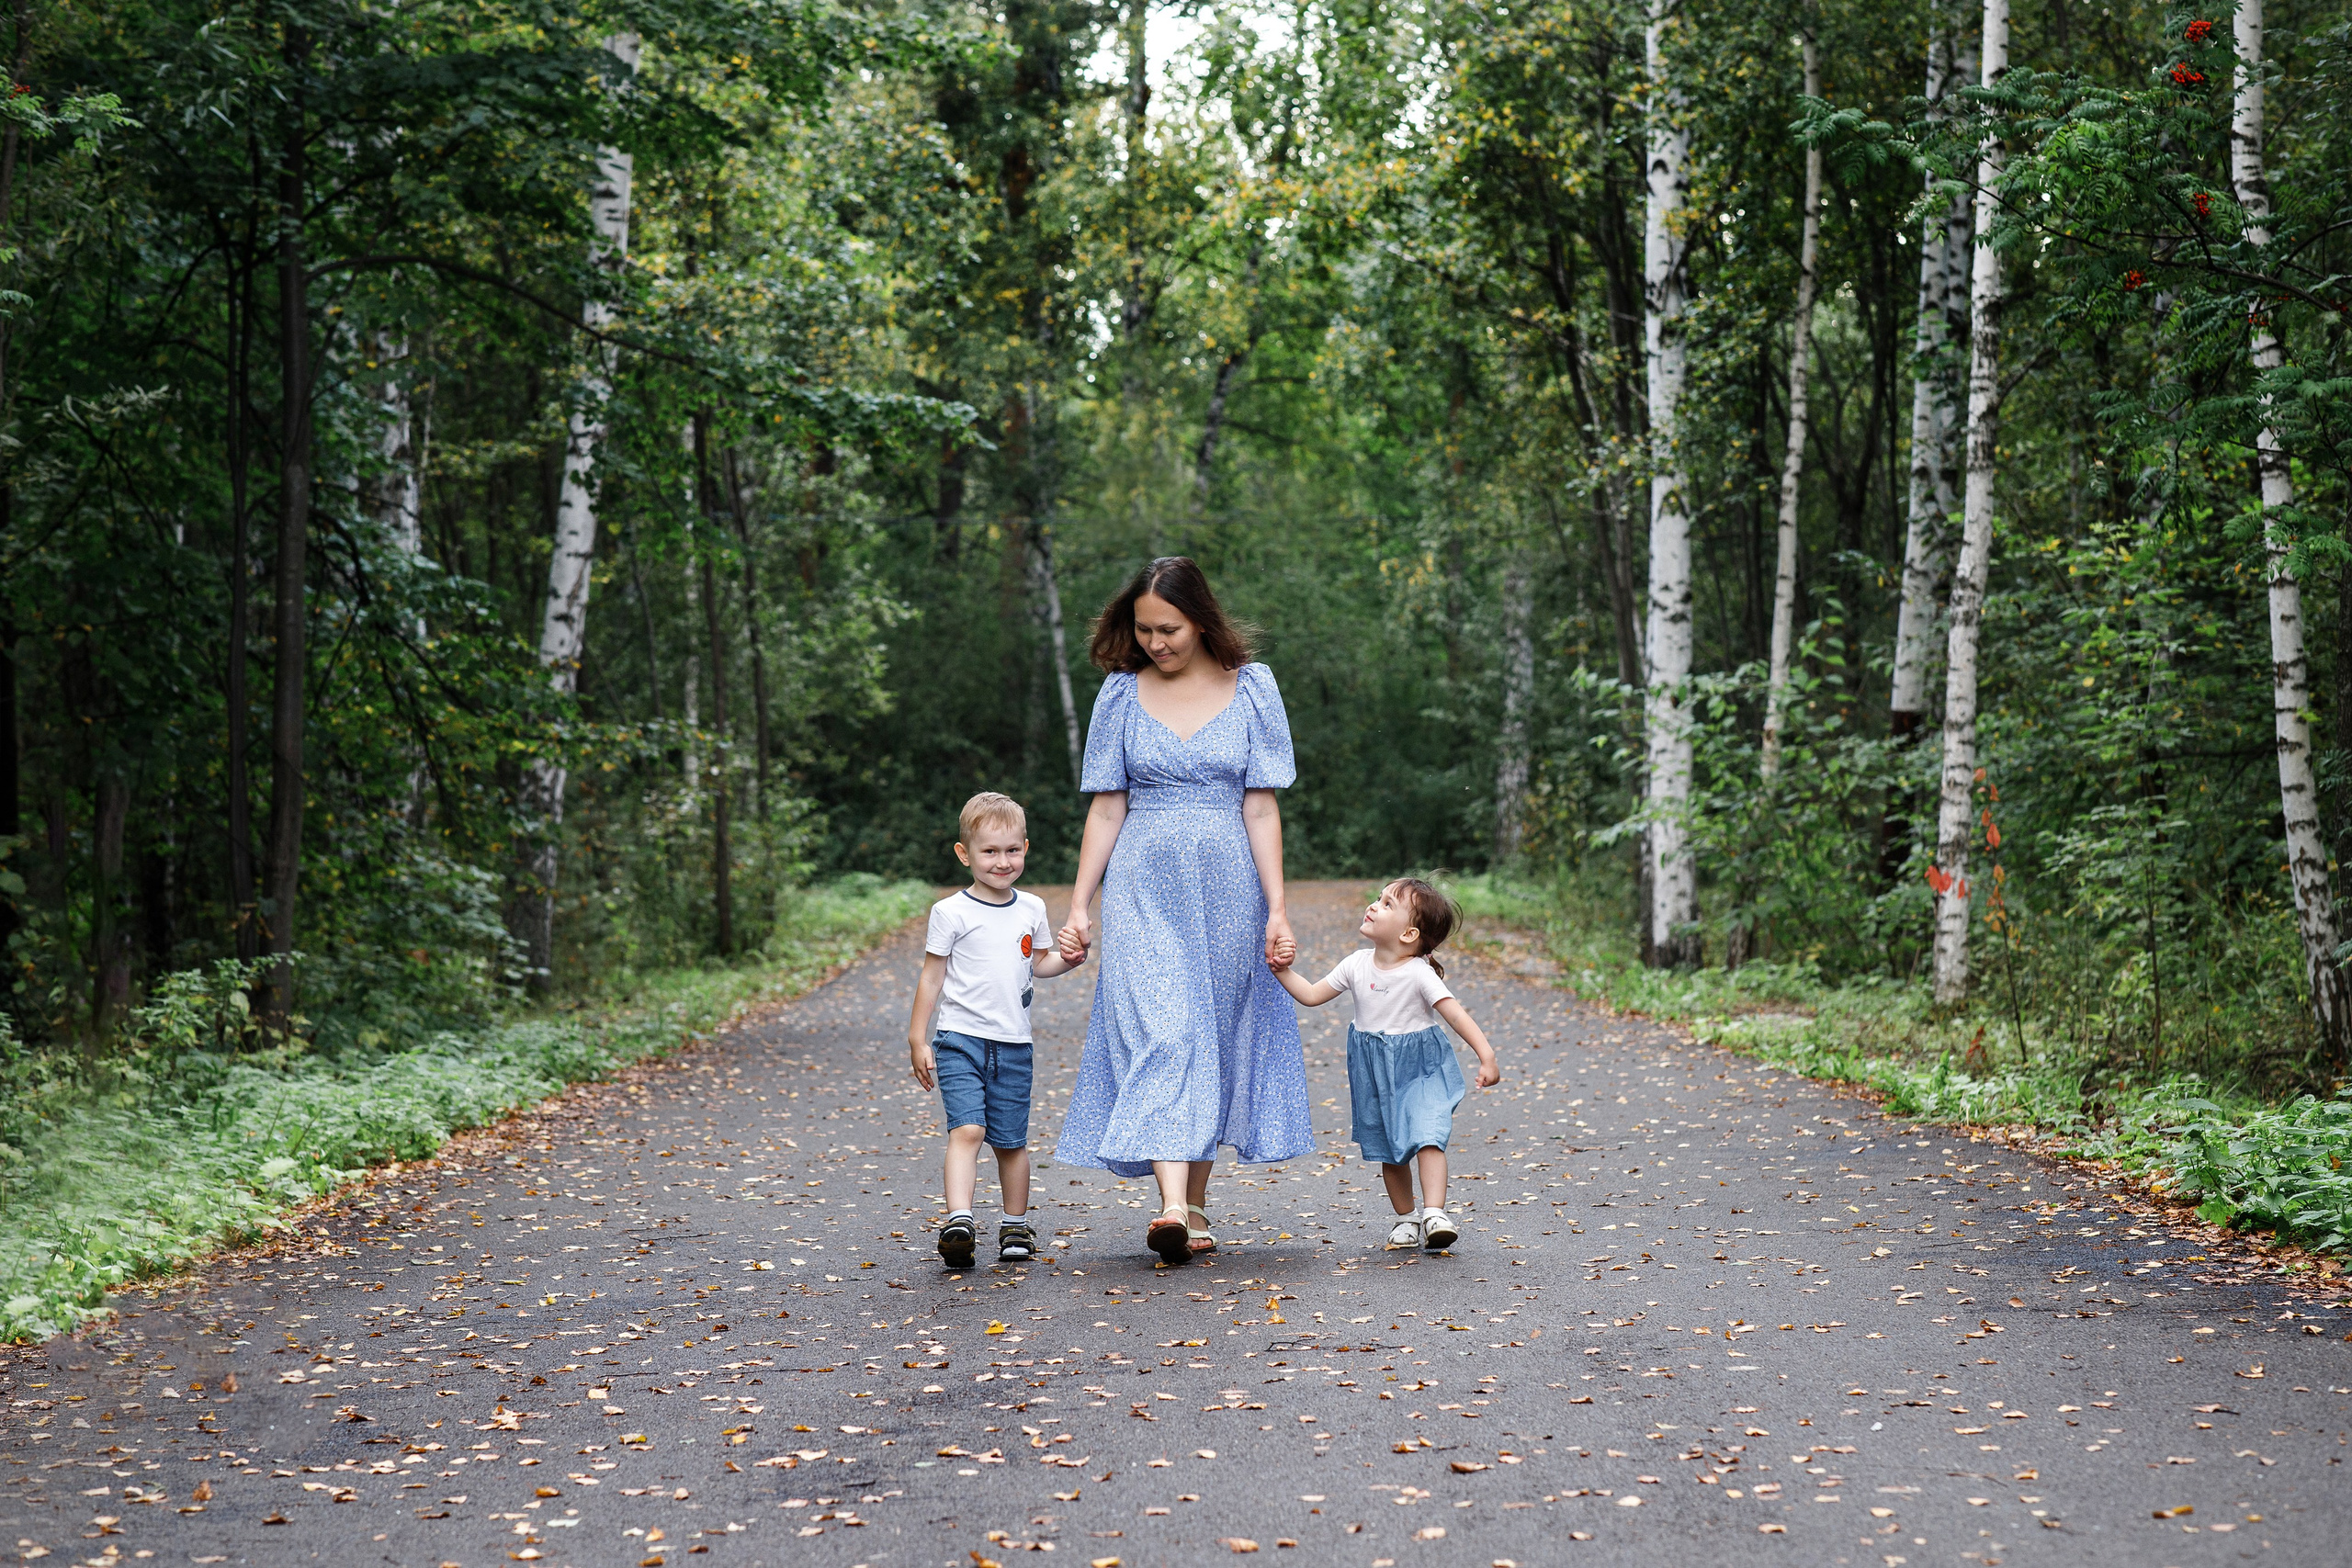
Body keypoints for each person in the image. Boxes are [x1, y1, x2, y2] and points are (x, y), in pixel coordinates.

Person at [1054, 558, 1311, 1265]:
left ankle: (1192, 1206)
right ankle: (1169, 1203)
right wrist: (1080, 902)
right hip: (1144, 883)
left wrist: (1279, 908)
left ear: (1201, 619)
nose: (1156, 642)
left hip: (1230, 883)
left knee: (1212, 1033)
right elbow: (1107, 806)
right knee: (1166, 1030)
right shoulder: (1119, 694)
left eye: (1168, 628)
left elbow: (1261, 805)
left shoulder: (1253, 688)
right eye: (1143, 630)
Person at [1270, 877, 1498, 1252]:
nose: (1374, 905)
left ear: (1409, 934)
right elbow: (1312, 995)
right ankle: (1406, 1217)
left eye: (1388, 904)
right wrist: (1282, 971)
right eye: (1378, 899)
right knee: (1390, 1148)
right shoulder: (1356, 964)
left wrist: (1485, 1055)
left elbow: (1455, 1016)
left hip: (1419, 1066)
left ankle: (1435, 1214)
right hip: (1372, 1067)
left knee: (1428, 1134)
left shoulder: (1418, 973)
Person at [908, 791, 1083, 1269]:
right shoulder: (951, 912)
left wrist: (1069, 960)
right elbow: (932, 975)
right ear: (965, 854)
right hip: (959, 1040)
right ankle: (959, 1221)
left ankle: (1014, 1225)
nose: (1002, 861)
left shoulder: (1031, 907)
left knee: (1010, 1142)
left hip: (1014, 1045)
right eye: (989, 851)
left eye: (1012, 850)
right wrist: (918, 1037)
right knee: (967, 1129)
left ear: (1025, 848)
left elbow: (1039, 963)